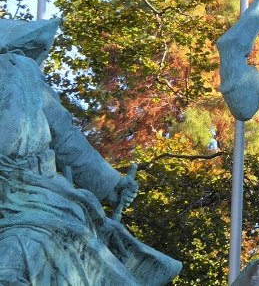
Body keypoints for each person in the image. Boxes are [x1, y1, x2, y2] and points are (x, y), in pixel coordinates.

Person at [0, 18, 181, 286]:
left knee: (39, 240)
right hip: (25, 198)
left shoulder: (22, 72)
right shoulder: (22, 71)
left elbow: (66, 140)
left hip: (37, 194)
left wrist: (112, 184)